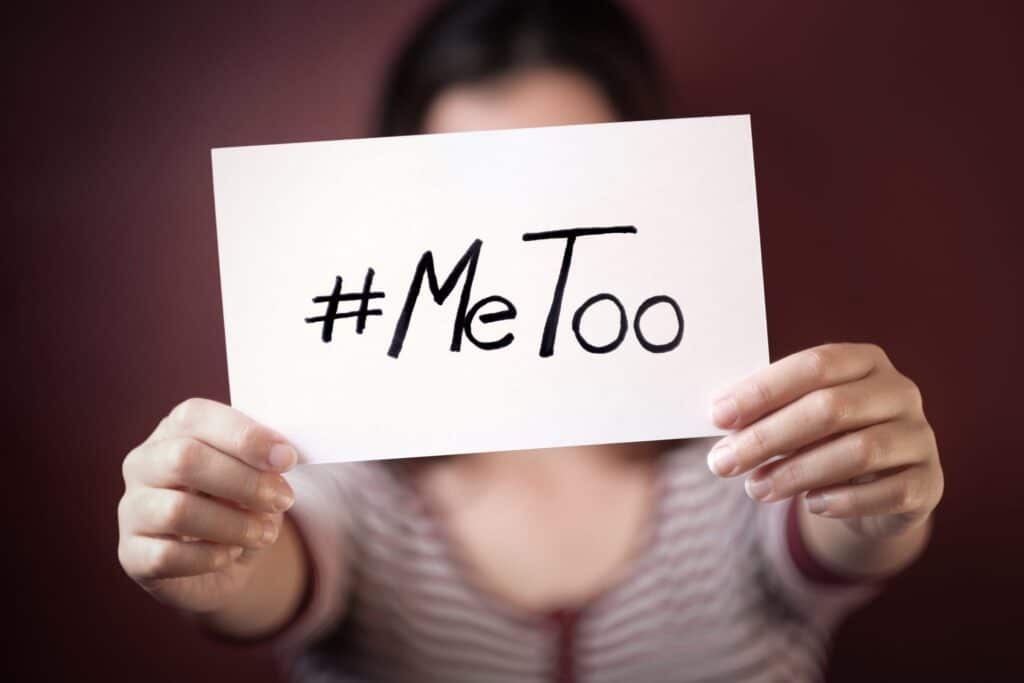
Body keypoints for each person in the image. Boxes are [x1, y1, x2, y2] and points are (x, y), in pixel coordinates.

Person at [117, 1, 944, 680]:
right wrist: (206, 558)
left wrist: (884, 490)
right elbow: (272, 574)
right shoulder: (337, 483)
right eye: (470, 189)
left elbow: (841, 529)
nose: (520, 239)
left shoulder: (747, 458)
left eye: (570, 179)